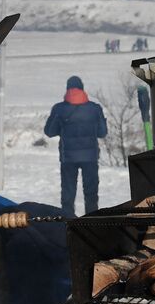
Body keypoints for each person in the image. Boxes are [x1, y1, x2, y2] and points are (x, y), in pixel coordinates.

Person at [44, 75, 108, 215]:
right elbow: (102, 132)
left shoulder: (59, 109)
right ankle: (92, 223)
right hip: (90, 157)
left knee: (68, 195)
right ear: (82, 89)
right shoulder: (94, 108)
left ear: (67, 89)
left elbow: (49, 132)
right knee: (91, 193)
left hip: (68, 158)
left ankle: (68, 224)